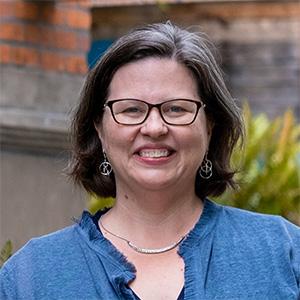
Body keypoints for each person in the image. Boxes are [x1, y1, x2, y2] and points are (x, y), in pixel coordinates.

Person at [1, 22, 299, 300]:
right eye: (131, 110)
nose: (154, 128)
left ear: (210, 127)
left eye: (176, 109)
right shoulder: (30, 276)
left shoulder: (282, 253)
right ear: (99, 130)